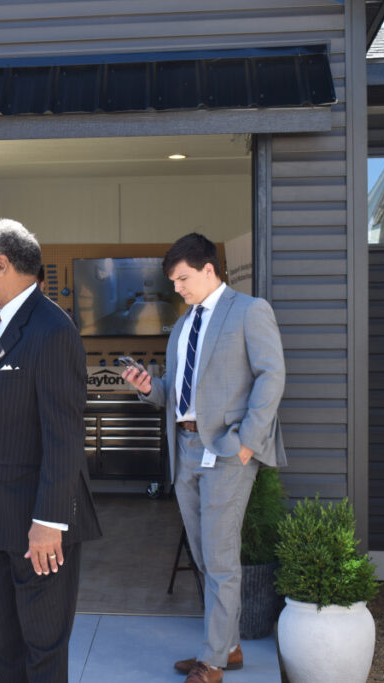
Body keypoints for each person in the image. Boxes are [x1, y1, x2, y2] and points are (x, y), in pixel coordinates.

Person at [120, 233, 286, 683]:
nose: (177, 288)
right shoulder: (182, 326)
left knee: (220, 556)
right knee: (204, 555)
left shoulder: (250, 311)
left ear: (209, 270)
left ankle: (211, 660)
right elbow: (174, 395)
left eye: (183, 278)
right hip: (187, 450)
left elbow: (272, 375)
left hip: (228, 451)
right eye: (173, 281)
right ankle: (228, 647)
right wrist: (145, 386)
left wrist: (247, 442)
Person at [0, 219, 102, 683]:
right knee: (7, 642)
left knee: (42, 647)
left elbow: (64, 435)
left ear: (1, 264)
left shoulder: (51, 329)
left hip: (38, 525)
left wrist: (50, 522)